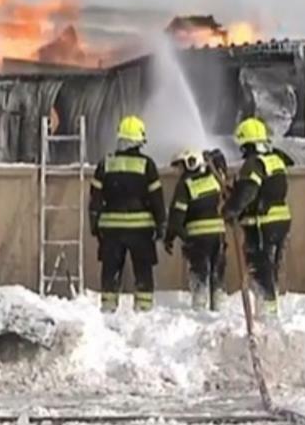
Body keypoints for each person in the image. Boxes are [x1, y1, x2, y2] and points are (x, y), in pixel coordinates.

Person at [89, 115, 165, 313]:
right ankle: (144, 310)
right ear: (139, 141)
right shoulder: (147, 165)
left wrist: (94, 224)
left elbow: (95, 199)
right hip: (141, 231)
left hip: (111, 230)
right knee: (143, 270)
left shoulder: (105, 164)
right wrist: (161, 224)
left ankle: (107, 309)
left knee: (111, 270)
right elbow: (157, 199)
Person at [222, 117, 293, 317]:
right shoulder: (276, 160)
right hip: (281, 222)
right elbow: (266, 188)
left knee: (260, 270)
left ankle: (266, 316)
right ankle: (271, 310)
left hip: (262, 225)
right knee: (272, 268)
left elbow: (248, 192)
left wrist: (230, 209)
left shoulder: (253, 164)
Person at [164, 148, 227, 310]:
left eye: (181, 166)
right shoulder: (214, 179)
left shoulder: (186, 186)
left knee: (200, 274)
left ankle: (199, 310)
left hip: (197, 238)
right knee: (217, 272)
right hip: (218, 236)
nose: (179, 171)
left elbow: (176, 218)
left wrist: (171, 237)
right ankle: (219, 308)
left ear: (190, 164)